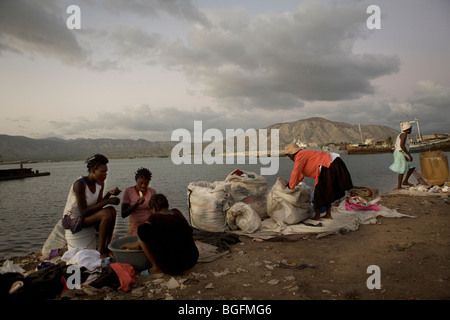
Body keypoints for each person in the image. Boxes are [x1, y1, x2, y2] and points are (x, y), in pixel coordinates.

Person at [120, 194, 199, 278]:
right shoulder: (177, 213)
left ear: (154, 208)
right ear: (166, 205)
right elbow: (189, 231)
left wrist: (125, 245)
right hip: (192, 259)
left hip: (174, 266)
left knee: (142, 230)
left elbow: (138, 245)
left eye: (151, 210)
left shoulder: (154, 219)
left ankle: (156, 268)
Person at [62, 154, 121, 259]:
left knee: (111, 210)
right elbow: (84, 211)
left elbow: (98, 205)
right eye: (102, 172)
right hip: (73, 220)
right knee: (106, 213)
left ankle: (107, 247)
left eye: (106, 172)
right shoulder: (80, 184)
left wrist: (109, 195)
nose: (105, 175)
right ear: (93, 170)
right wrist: (107, 200)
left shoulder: (100, 183)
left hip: (87, 217)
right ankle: (101, 252)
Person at [285, 143, 353, 220]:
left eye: (289, 156)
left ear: (292, 154)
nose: (290, 158)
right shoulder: (303, 154)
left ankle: (317, 216)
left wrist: (290, 187)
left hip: (329, 165)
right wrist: (292, 185)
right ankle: (328, 214)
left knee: (320, 191)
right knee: (328, 190)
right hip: (330, 163)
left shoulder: (299, 155)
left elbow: (296, 172)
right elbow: (299, 176)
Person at [121, 167, 156, 236]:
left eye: (146, 183)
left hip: (148, 225)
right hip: (135, 226)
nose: (143, 186)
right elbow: (123, 214)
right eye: (141, 183)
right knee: (133, 244)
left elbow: (155, 212)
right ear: (136, 180)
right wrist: (137, 204)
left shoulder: (152, 192)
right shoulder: (128, 191)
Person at [389, 122, 416, 189]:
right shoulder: (404, 134)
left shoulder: (402, 134)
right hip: (400, 153)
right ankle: (399, 186)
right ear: (408, 129)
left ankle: (405, 181)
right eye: (410, 129)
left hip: (402, 153)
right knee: (402, 169)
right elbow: (401, 145)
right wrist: (408, 155)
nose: (411, 130)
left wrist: (406, 154)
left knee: (411, 167)